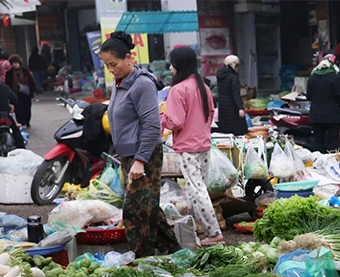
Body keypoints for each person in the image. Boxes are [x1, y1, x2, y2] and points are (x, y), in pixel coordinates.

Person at [100, 31, 178, 258]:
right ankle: (173, 249)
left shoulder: (142, 84)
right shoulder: (120, 81)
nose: (111, 70)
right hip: (128, 155)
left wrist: (140, 161)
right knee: (148, 205)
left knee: (135, 211)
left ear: (129, 58)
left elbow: (152, 125)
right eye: (107, 65)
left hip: (143, 155)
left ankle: (141, 258)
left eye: (114, 64)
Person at [161, 46, 223, 246]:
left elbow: (176, 121)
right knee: (198, 188)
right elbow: (211, 113)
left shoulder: (177, 90)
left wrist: (161, 117)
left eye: (172, 63)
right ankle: (202, 229)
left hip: (188, 146)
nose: (170, 67)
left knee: (197, 190)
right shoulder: (202, 86)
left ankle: (214, 233)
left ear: (179, 65)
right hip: (204, 143)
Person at [305, 51, 340, 152]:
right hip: (332, 117)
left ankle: (319, 163)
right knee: (333, 142)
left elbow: (309, 96)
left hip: (316, 117)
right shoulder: (336, 78)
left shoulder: (312, 78)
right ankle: (332, 164)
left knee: (318, 142)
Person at [215, 55, 247, 136]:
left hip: (222, 107)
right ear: (232, 65)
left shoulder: (220, 76)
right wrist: (240, 108)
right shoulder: (233, 77)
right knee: (238, 131)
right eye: (237, 66)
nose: (238, 68)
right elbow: (235, 94)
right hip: (232, 107)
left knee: (226, 131)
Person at [6, 55, 36, 128]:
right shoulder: (9, 73)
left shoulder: (25, 71)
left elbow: (31, 81)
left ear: (19, 63)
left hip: (26, 93)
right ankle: (20, 122)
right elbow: (7, 84)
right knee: (18, 109)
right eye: (13, 63)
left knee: (27, 108)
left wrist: (33, 91)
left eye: (16, 63)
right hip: (15, 93)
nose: (15, 65)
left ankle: (27, 121)